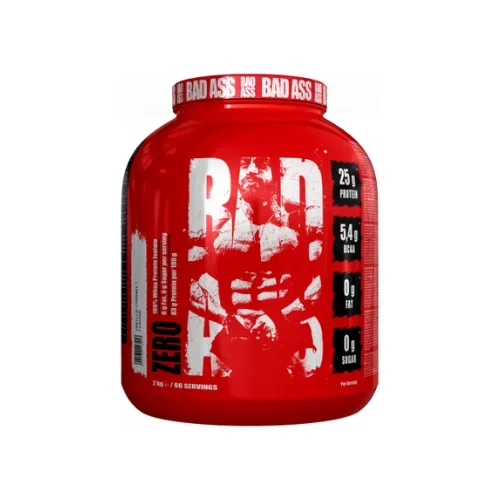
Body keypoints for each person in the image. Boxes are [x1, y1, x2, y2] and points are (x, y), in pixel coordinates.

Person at [188, 157, 323, 383]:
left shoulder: (299, 220)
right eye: (244, 165)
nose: (251, 170)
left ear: (278, 175)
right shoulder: (217, 223)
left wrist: (285, 315)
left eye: (261, 164)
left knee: (304, 385)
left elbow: (330, 275)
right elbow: (180, 277)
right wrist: (223, 316)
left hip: (290, 328)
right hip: (234, 331)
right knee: (217, 385)